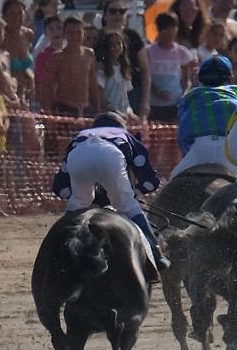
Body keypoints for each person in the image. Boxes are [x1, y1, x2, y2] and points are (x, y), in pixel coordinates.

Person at [51, 111, 168, 270]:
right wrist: (134, 193)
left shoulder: (81, 136)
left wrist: (85, 198)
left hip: (78, 156)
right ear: (121, 126)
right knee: (129, 207)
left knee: (76, 207)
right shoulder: (125, 135)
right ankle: (156, 254)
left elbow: (60, 188)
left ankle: (56, 253)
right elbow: (150, 182)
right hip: (110, 156)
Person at [172, 55, 237, 178]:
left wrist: (188, 154)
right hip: (229, 152)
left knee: (173, 179)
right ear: (230, 78)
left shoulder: (189, 98)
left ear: (201, 78)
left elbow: (183, 135)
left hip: (199, 149)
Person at [146, 11, 196, 122]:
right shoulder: (149, 51)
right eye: (166, 28)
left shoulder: (182, 52)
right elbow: (145, 77)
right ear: (159, 30)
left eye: (173, 27)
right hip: (154, 105)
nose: (171, 31)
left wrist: (185, 94)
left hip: (175, 105)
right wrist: (158, 92)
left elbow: (186, 80)